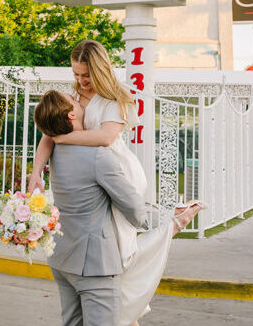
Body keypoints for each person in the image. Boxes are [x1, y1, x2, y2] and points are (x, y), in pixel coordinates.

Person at [33, 88, 202, 326]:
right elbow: (134, 209)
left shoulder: (57, 151)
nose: (76, 96)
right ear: (71, 115)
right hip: (94, 265)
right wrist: (167, 219)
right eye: (72, 100)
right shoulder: (97, 156)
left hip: (62, 258)